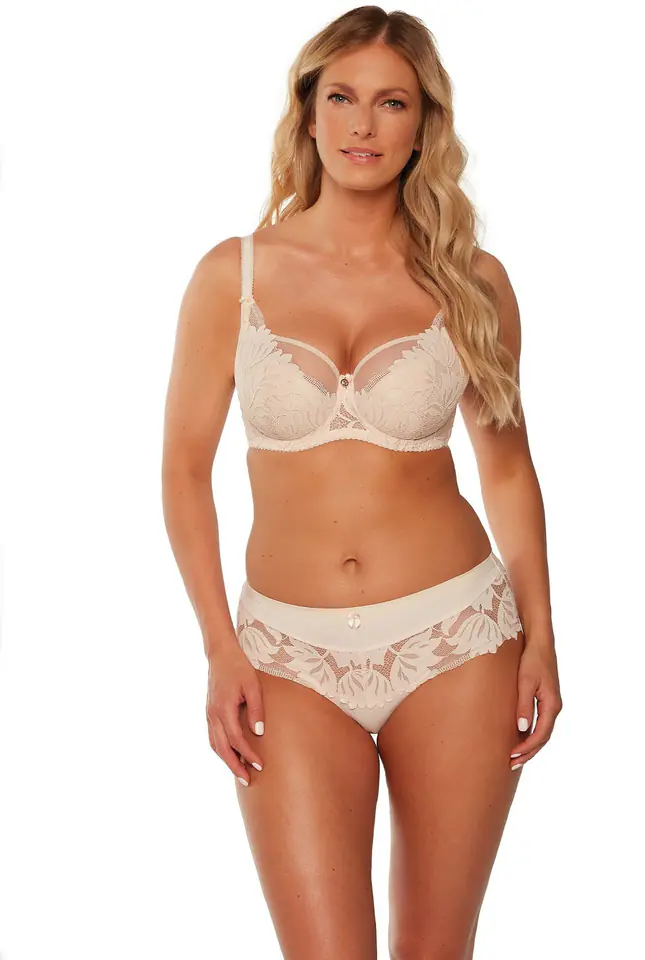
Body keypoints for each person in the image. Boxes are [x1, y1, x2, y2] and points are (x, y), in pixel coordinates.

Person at [162, 6, 562, 958]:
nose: (363, 125)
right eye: (341, 97)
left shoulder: (472, 281)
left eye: (392, 103)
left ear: (423, 125)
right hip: (285, 656)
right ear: (308, 114)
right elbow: (182, 468)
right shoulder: (233, 275)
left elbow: (508, 470)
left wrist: (542, 636)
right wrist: (220, 645)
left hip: (457, 640)